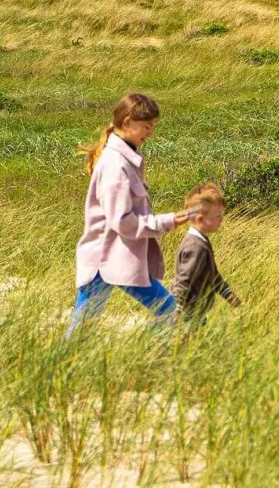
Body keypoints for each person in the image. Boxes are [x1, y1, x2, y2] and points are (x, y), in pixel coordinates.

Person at [69, 93, 191, 337]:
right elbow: (122, 222)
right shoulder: (116, 164)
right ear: (127, 122)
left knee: (80, 332)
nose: (150, 133)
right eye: (147, 127)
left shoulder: (124, 158)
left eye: (153, 127)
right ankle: (154, 360)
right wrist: (168, 222)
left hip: (115, 258)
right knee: (171, 312)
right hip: (107, 260)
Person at [171, 182, 241, 323]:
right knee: (185, 343)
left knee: (194, 343)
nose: (221, 219)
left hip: (197, 309)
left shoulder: (201, 241)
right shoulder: (195, 246)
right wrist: (176, 309)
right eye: (217, 216)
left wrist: (227, 294)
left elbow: (212, 274)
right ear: (200, 219)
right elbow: (184, 280)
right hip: (188, 310)